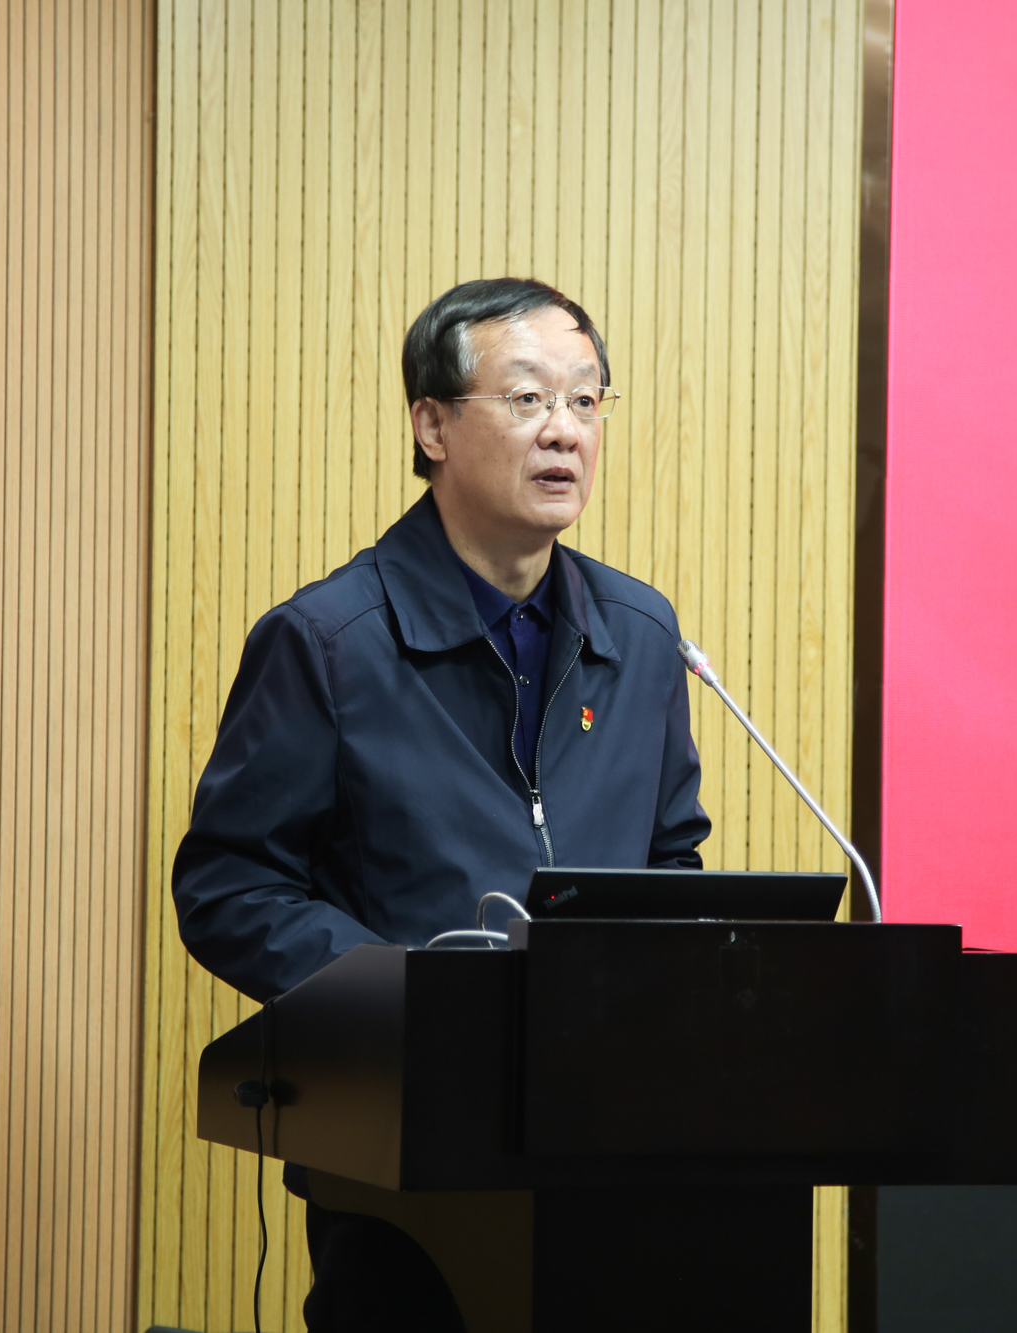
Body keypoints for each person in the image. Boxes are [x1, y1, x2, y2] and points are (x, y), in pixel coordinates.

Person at [172, 277, 710, 1330]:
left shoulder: (641, 636)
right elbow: (229, 887)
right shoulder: (329, 643)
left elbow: (671, 861)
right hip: (402, 1159)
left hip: (607, 1143)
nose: (565, 431)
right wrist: (409, 996)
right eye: (527, 398)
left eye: (586, 400)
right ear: (431, 426)